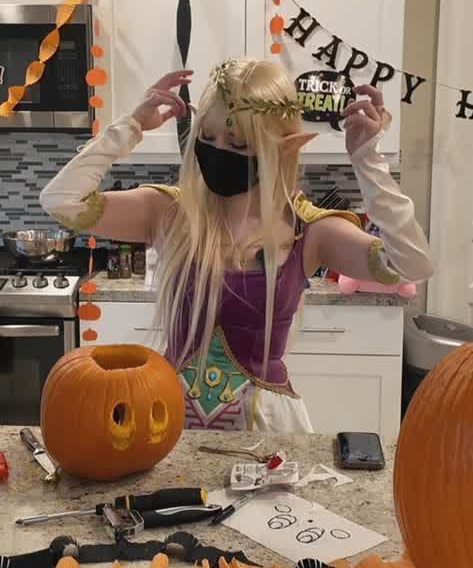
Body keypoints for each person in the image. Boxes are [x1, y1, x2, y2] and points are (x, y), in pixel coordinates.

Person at [40, 59, 433, 432]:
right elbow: (61, 202)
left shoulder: (309, 231)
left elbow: (411, 265)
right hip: (166, 421)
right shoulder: (170, 213)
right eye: (207, 137)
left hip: (267, 429)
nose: (218, 151)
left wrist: (367, 160)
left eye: (239, 143)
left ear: (283, 148)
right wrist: (129, 128)